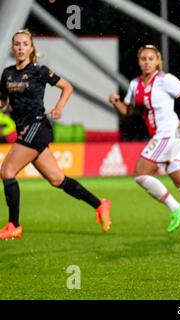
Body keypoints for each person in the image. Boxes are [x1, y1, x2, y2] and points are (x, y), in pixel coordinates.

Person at [0, 29, 112, 240]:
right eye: (17, 44)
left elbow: (67, 87)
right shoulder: (7, 73)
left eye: (25, 44)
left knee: (7, 171)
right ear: (13, 48)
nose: (21, 48)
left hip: (38, 126)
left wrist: (59, 107)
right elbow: (3, 100)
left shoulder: (39, 71)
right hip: (25, 130)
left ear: (31, 48)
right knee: (56, 179)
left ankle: (14, 225)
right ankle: (100, 204)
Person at [108, 44, 180, 238]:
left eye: (151, 59)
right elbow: (128, 112)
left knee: (140, 173)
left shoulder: (165, 80)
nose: (147, 62)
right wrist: (115, 102)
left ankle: (175, 207)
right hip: (169, 136)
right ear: (139, 62)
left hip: (169, 133)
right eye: (143, 59)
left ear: (157, 61)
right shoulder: (134, 84)